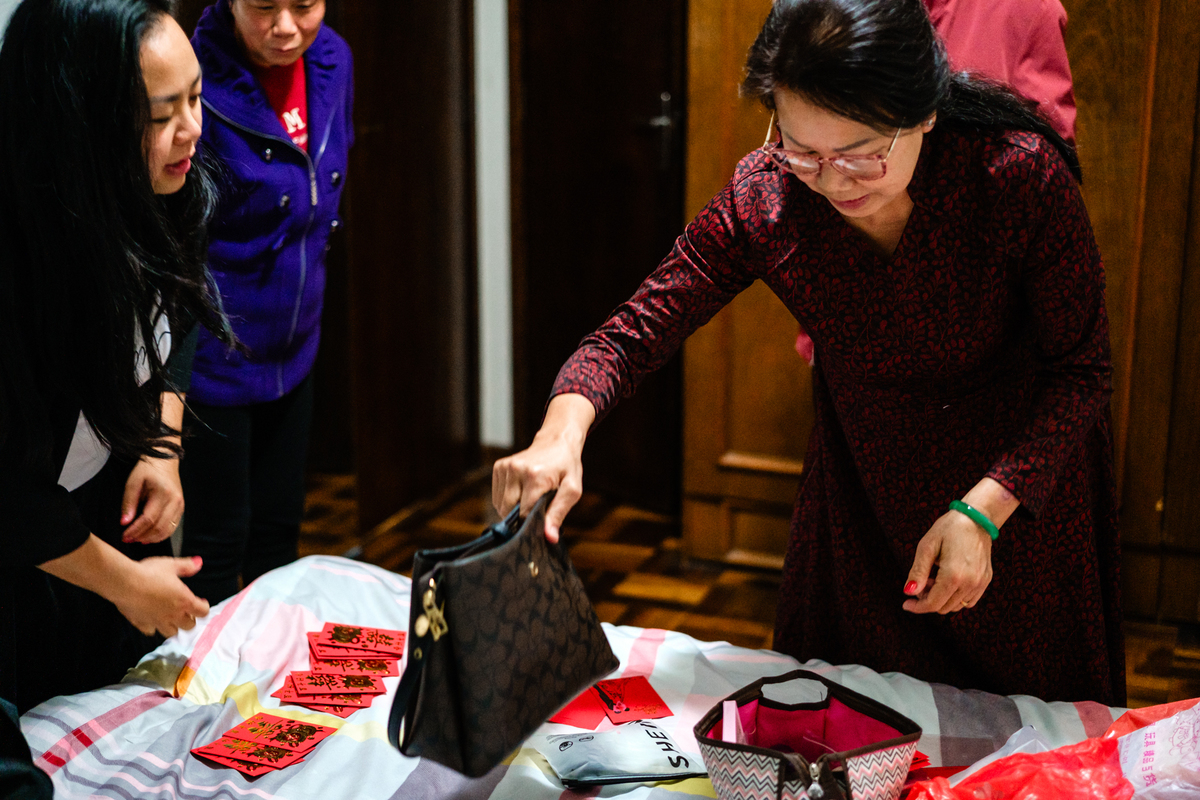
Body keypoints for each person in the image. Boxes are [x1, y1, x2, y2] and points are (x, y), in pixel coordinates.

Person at [494, 0, 1124, 704]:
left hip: (1014, 496)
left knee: (1029, 744)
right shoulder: (767, 196)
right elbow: (634, 331)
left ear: (925, 113)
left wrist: (984, 511)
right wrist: (561, 431)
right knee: (842, 723)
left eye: (862, 155)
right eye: (802, 149)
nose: (831, 180)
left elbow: (1082, 372)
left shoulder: (1014, 176)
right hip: (863, 498)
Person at [0, 0, 230, 712]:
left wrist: (162, 444)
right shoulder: (21, 265)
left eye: (194, 98)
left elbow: (180, 313)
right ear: (80, 127)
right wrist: (128, 585)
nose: (190, 130)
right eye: (161, 116)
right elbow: (8, 495)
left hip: (93, 516)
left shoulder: (166, 186)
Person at [179, 0, 354, 605]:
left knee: (278, 539)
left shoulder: (332, 58)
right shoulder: (192, 74)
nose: (286, 27)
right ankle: (203, 695)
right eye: (262, 7)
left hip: (295, 342)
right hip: (215, 355)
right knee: (216, 543)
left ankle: (265, 685)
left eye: (304, 4)